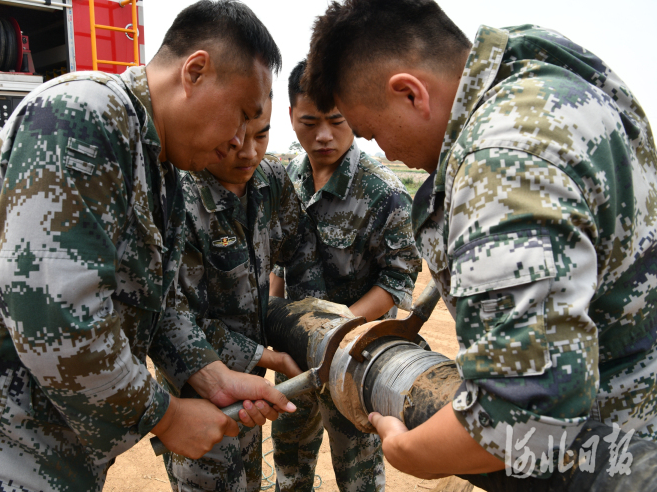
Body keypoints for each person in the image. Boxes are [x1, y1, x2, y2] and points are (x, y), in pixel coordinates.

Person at [0, 2, 297, 491]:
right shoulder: (82, 117)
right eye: (241, 116)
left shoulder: (161, 167)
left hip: (44, 465)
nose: (242, 142)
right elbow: (54, 314)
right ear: (196, 71)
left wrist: (211, 375)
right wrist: (167, 416)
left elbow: (159, 304)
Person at [303, 0, 657, 480]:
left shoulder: (499, 162)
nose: (388, 152)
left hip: (617, 455)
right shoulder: (547, 74)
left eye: (374, 132)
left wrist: (410, 452)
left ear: (410, 94)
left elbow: (525, 416)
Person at [152, 93, 326, 492]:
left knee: (247, 479)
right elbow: (175, 318)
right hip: (195, 384)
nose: (249, 153)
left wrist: (308, 324)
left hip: (251, 384)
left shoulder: (271, 180)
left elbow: (301, 245)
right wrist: (269, 355)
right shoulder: (180, 198)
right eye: (234, 140)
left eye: (261, 137)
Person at [269, 59, 421, 492]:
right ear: (291, 118)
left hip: (354, 362)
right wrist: (272, 320)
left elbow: (397, 282)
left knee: (359, 476)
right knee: (290, 463)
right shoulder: (288, 182)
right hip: (296, 356)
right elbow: (281, 262)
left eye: (336, 121)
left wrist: (337, 339)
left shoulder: (384, 193)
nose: (323, 136)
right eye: (309, 122)